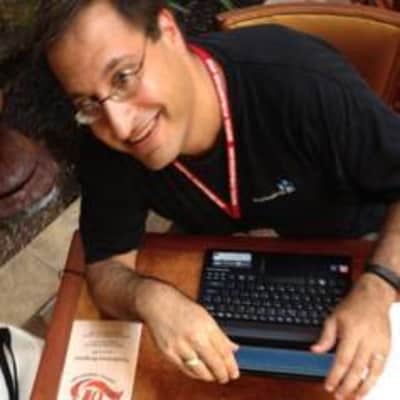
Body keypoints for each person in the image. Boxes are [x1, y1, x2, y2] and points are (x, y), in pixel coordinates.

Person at [33, 0, 400, 398]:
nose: (121, 127)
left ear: (168, 31)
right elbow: (105, 264)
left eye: (123, 77)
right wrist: (149, 297)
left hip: (358, 247)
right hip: (220, 258)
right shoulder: (105, 140)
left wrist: (380, 286)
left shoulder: (305, 84)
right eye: (88, 103)